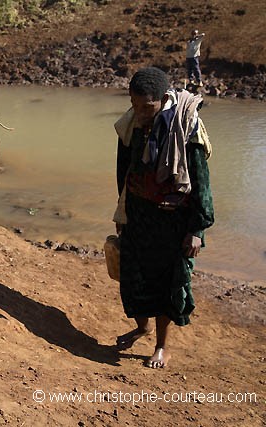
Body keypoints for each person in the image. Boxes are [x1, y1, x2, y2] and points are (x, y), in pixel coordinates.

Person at [112, 67, 214, 368]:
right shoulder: (130, 126)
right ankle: (142, 327)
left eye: (147, 107)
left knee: (166, 281)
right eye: (134, 104)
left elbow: (201, 183)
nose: (140, 112)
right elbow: (124, 170)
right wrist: (123, 209)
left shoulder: (186, 128)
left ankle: (161, 346)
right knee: (132, 274)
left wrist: (197, 229)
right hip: (138, 213)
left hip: (173, 220)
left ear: (164, 99)